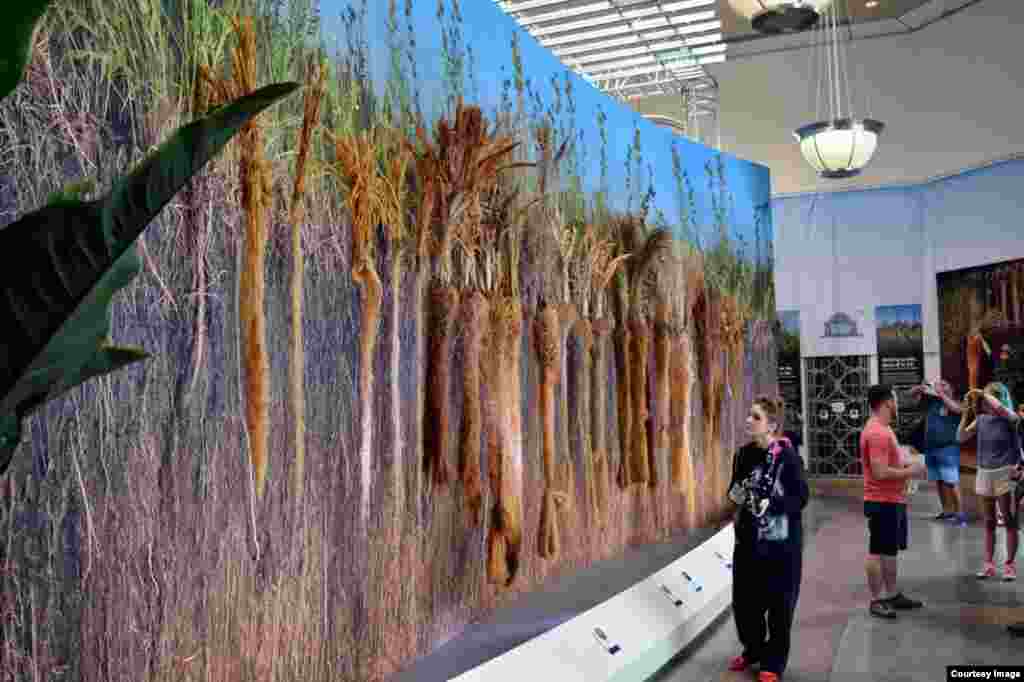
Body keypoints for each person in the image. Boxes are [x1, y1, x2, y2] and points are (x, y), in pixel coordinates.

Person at [725, 395, 809, 682]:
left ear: (771, 425)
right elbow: (734, 490)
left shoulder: (787, 456)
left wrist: (771, 506)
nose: (749, 420)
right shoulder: (743, 454)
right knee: (745, 603)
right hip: (748, 542)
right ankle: (753, 649)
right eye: (749, 415)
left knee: (779, 606)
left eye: (756, 417)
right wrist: (735, 500)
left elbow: (800, 497)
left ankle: (773, 663)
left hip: (780, 545)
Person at [860, 384, 927, 619]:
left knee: (889, 551)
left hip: (892, 499)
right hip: (882, 501)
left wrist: (906, 460)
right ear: (888, 402)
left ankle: (892, 594)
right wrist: (913, 471)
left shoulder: (884, 429)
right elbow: (879, 472)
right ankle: (877, 600)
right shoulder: (877, 432)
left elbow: (891, 462)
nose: (897, 404)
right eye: (896, 399)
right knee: (878, 551)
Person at [958, 382, 1021, 580]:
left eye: (988, 399)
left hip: (1004, 472)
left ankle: (1009, 565)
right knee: (989, 522)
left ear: (998, 399)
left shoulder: (1010, 419)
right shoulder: (982, 419)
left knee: (1009, 522)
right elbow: (960, 437)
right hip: (984, 472)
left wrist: (984, 395)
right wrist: (965, 413)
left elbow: (1004, 410)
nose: (984, 402)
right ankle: (989, 565)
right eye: (983, 400)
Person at [909, 379, 965, 526]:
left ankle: (960, 514)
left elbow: (958, 410)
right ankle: (947, 511)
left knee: (951, 481)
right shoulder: (933, 402)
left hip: (948, 448)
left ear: (951, 389)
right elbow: (912, 395)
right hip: (931, 448)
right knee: (939, 481)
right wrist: (919, 388)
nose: (940, 386)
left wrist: (941, 394)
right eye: (939, 383)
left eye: (945, 384)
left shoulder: (957, 402)